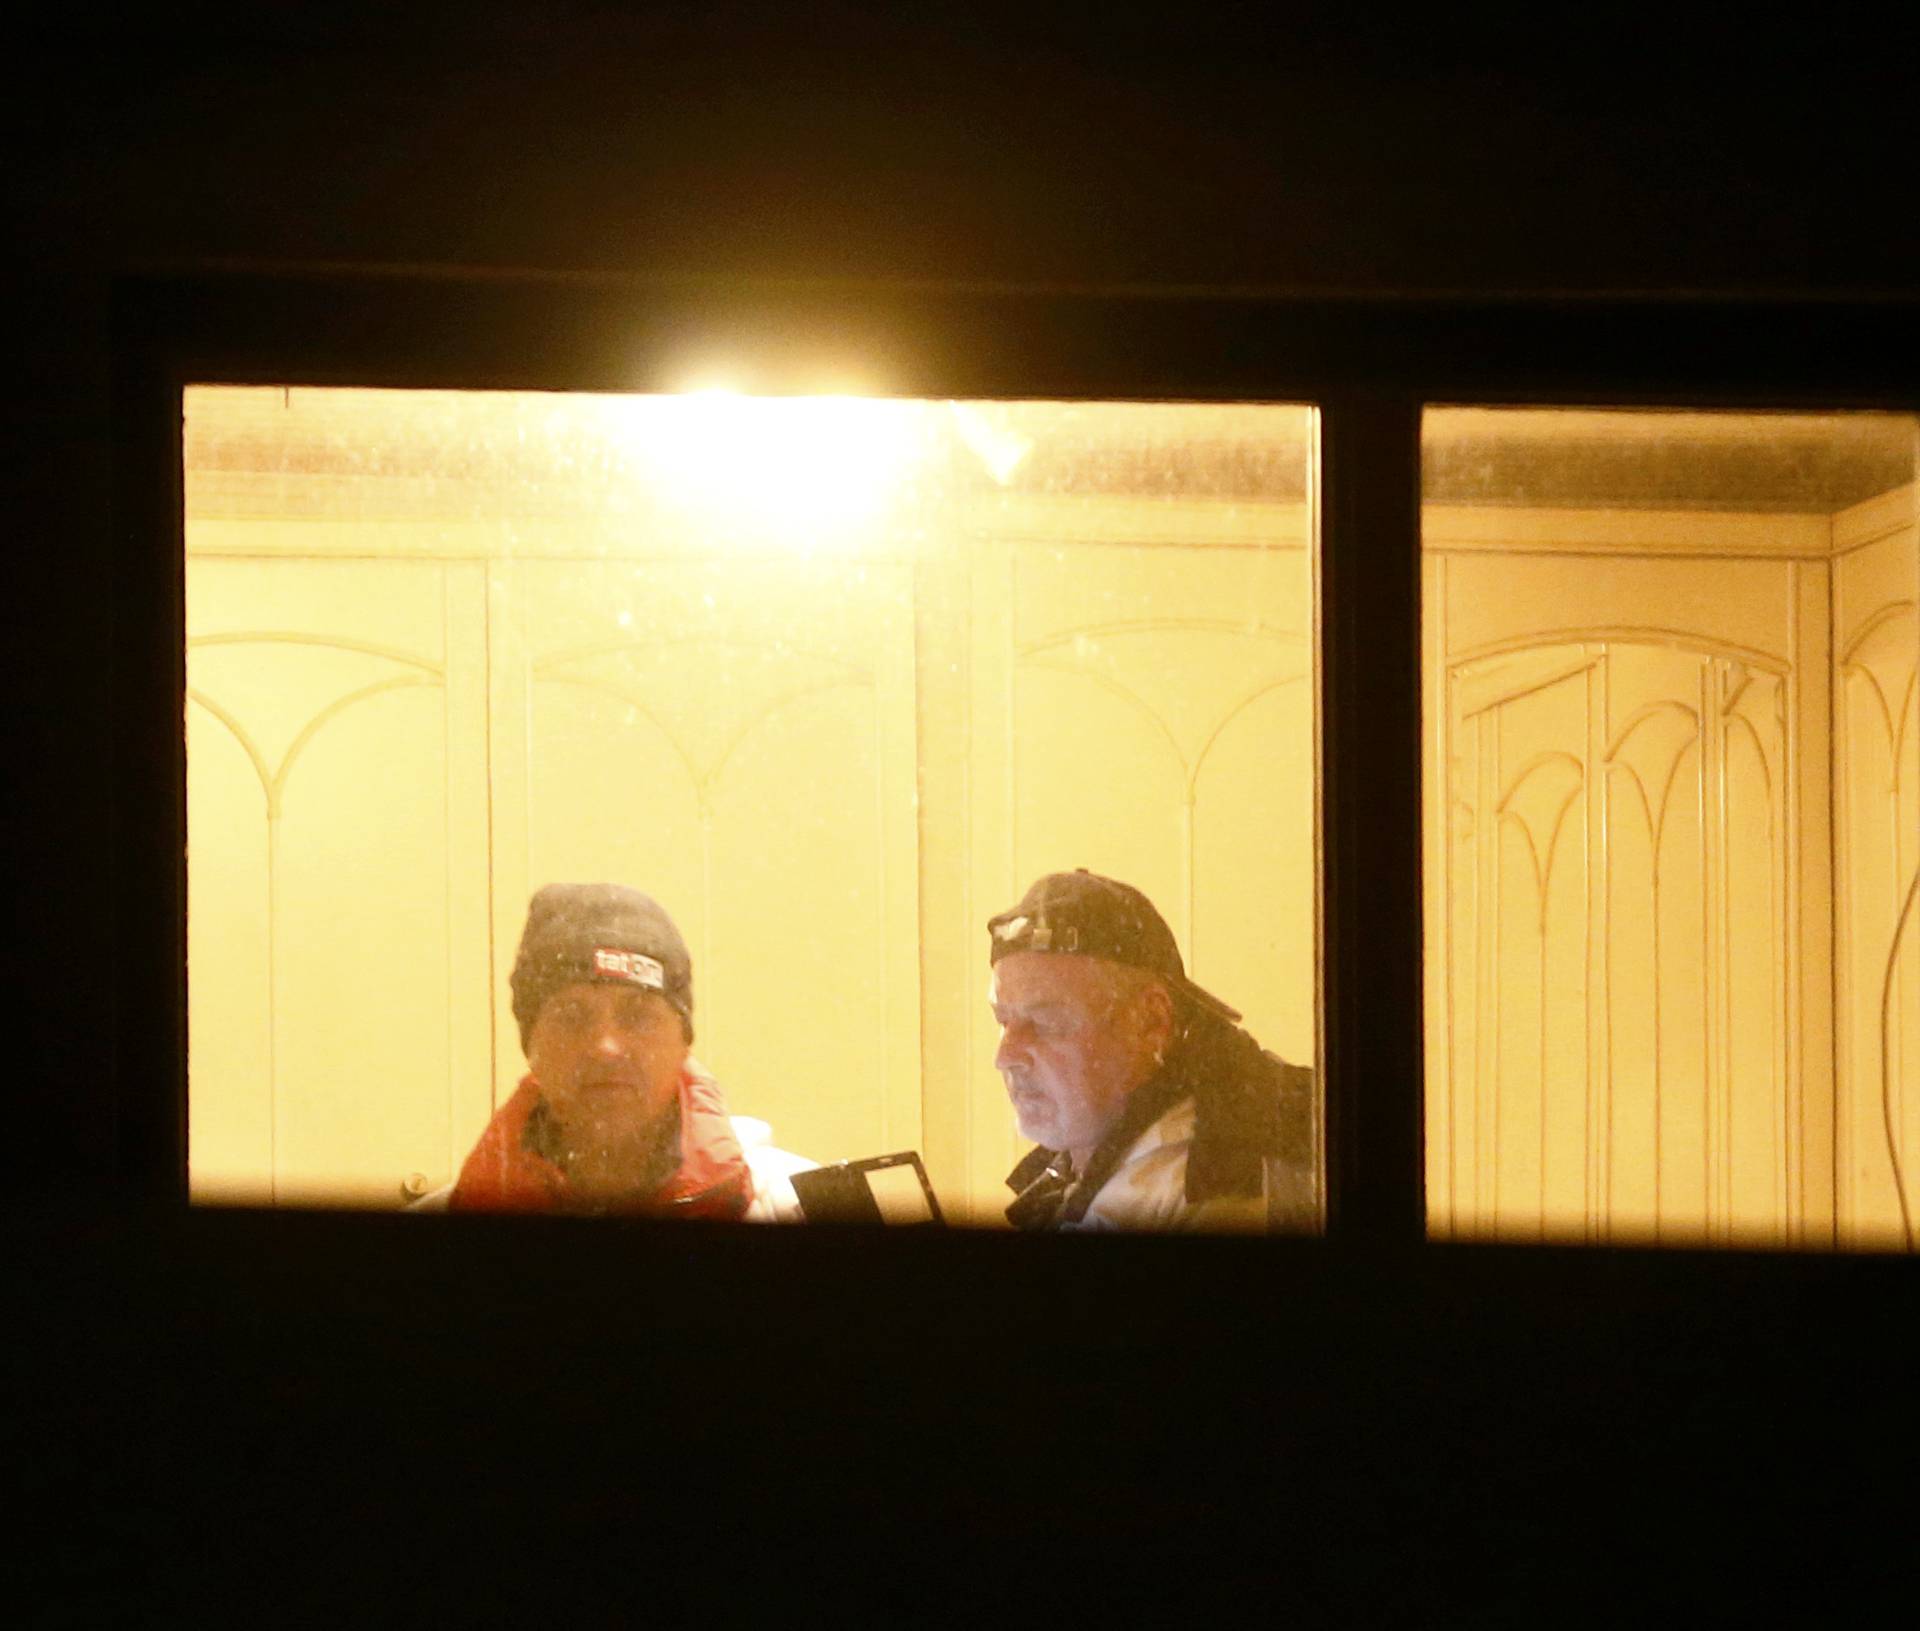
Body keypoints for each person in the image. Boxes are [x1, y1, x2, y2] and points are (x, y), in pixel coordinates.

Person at [444, 882, 808, 1219]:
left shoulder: (795, 1209)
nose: (606, 1047)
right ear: (531, 1047)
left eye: (638, 1016)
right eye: (572, 1017)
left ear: (683, 1042)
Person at [987, 868, 1316, 1232]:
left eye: (1046, 1023)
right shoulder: (1204, 1110)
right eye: (1003, 1021)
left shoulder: (1184, 1192)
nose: (1005, 1057)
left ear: (1150, 1022)